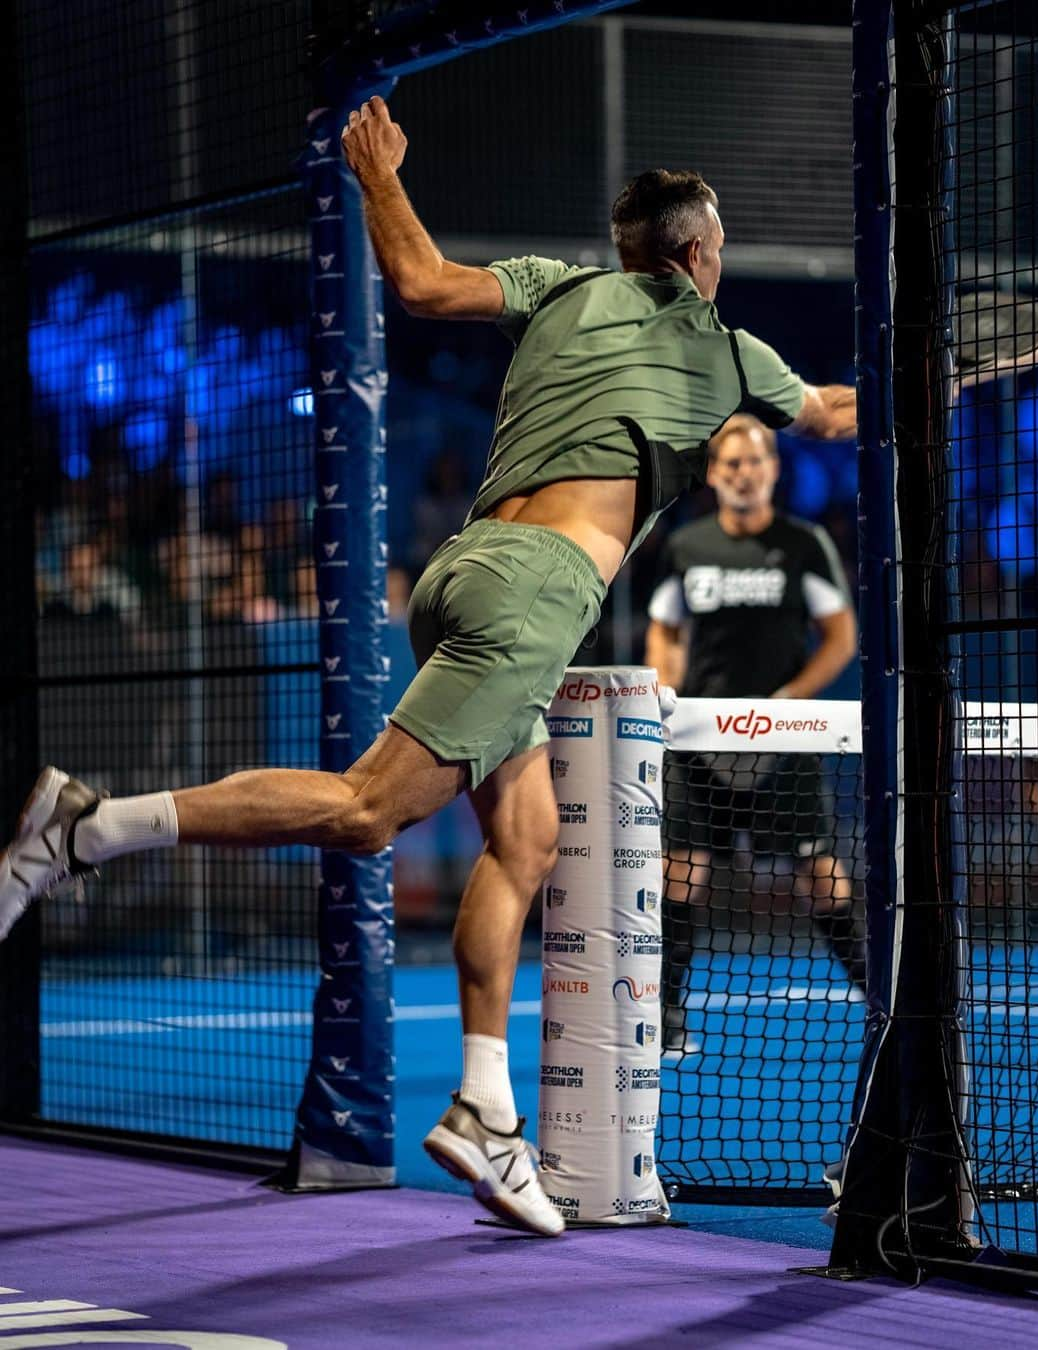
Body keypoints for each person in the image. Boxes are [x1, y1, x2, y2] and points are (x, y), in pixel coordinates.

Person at [0, 96, 855, 1237]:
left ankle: (485, 1111)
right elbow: (837, 418)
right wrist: (940, 382)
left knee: (528, 839)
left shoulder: (557, 285)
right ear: (702, 254)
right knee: (365, 813)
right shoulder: (728, 346)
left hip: (463, 564)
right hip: (543, 590)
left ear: (624, 251)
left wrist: (380, 173)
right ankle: (88, 826)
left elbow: (419, 281)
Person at [645, 415, 861, 1057]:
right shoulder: (686, 545)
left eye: (755, 461)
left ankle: (882, 1000)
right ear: (713, 474)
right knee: (677, 872)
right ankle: (666, 1011)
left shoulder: (804, 544)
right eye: (731, 464)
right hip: (697, 742)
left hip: (784, 739)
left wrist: (792, 699)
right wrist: (665, 690)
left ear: (772, 470)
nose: (744, 473)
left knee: (821, 875)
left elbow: (841, 636)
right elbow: (665, 627)